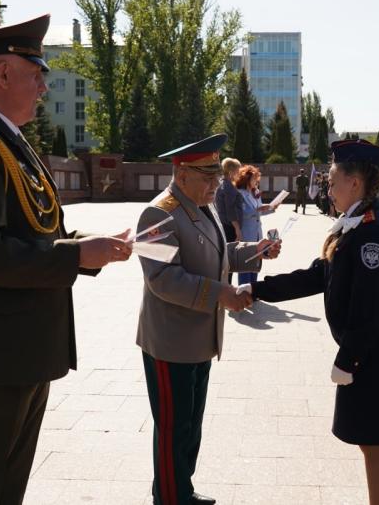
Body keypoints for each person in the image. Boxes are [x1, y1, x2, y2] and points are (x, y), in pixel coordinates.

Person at [0, 14, 134, 504]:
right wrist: (76, 255)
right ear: (4, 73)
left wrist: (89, 245)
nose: (43, 85)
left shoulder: (3, 136)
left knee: (2, 491)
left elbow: (34, 230)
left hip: (14, 353)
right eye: (37, 72)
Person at [245, 139, 379, 505]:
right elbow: (318, 276)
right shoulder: (353, 227)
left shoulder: (371, 234)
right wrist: (258, 290)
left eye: (332, 182)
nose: (327, 189)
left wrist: (349, 359)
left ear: (355, 184)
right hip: (371, 353)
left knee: (375, 443)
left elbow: (369, 308)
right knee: (378, 442)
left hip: (371, 355)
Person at [136, 134, 281, 505]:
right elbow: (162, 279)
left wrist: (257, 251)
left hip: (201, 338)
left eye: (217, 177)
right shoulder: (157, 213)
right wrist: (221, 294)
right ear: (181, 174)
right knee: (173, 428)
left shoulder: (203, 206)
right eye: (208, 177)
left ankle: (179, 488)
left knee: (190, 427)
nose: (216, 185)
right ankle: (170, 498)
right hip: (171, 342)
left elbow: (221, 254)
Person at [234, 164, 273, 285]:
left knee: (256, 261)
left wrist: (272, 207)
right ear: (247, 179)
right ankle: (244, 289)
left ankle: (253, 289)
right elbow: (243, 213)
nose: (256, 181)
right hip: (246, 232)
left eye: (257, 178)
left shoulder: (255, 192)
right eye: (254, 178)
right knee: (246, 261)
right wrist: (259, 210)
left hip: (257, 232)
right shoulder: (239, 193)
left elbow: (259, 212)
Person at [214, 157, 243, 242]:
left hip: (223, 224)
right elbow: (230, 209)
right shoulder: (229, 187)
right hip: (230, 227)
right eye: (237, 171)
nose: (239, 174)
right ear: (231, 172)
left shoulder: (220, 183)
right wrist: (237, 229)